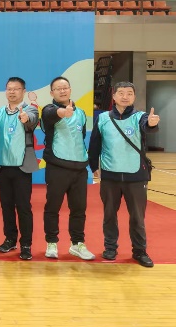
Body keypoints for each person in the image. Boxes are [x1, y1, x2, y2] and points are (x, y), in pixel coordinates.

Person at [89, 82, 160, 267]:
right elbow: (95, 143)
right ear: (114, 97)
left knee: (137, 217)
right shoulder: (103, 118)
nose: (125, 97)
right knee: (109, 215)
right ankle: (110, 248)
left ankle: (140, 251)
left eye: (129, 93)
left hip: (135, 176)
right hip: (110, 176)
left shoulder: (140, 116)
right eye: (121, 93)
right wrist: (93, 165)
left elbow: (147, 125)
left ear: (134, 97)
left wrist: (151, 123)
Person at [42, 76, 95, 261]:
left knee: (79, 209)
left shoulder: (81, 113)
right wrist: (64, 112)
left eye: (65, 87)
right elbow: (51, 114)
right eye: (58, 88)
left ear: (70, 90)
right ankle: (51, 242)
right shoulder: (48, 110)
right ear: (52, 93)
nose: (62, 91)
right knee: (53, 207)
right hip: (57, 167)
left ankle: (77, 244)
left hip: (79, 168)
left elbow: (81, 136)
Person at [0, 77, 39, 261]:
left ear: (23, 91)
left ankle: (26, 244)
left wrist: (25, 119)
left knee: (24, 206)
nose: (12, 92)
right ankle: (10, 239)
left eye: (16, 89)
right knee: (6, 206)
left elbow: (32, 121)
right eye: (9, 89)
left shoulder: (30, 110)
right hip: (3, 165)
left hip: (22, 166)